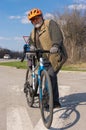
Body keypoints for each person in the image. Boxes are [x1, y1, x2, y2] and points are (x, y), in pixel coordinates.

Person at [27, 8, 68, 108]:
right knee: (51, 78)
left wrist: (55, 45)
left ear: (41, 17)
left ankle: (45, 102)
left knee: (50, 76)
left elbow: (57, 36)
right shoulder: (33, 32)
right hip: (42, 58)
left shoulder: (50, 24)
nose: (35, 21)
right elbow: (31, 42)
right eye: (33, 20)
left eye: (37, 18)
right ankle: (55, 101)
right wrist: (31, 47)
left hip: (55, 56)